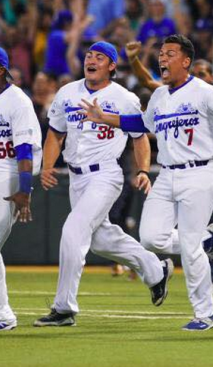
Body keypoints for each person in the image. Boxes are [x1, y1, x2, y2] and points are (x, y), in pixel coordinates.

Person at [79, 34, 213, 331]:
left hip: (201, 172)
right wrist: (105, 117)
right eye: (162, 54)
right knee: (151, 237)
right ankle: (208, 239)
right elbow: (141, 124)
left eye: (170, 54)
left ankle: (205, 313)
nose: (162, 58)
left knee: (189, 248)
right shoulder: (160, 96)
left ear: (186, 61)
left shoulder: (205, 91)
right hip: (167, 173)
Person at [34, 42, 172, 328]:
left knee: (73, 230)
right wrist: (48, 166)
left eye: (100, 57)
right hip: (76, 176)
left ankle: (64, 308)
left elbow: (139, 136)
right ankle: (155, 270)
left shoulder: (123, 97)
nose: (91, 60)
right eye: (88, 55)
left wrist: (144, 169)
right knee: (101, 239)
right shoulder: (67, 92)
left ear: (112, 66)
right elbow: (55, 134)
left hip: (105, 175)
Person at [0, 46, 42, 332]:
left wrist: (25, 190)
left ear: (0, 69)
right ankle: (2, 313)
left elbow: (24, 150)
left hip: (10, 174)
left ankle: (2, 314)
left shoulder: (18, 101)